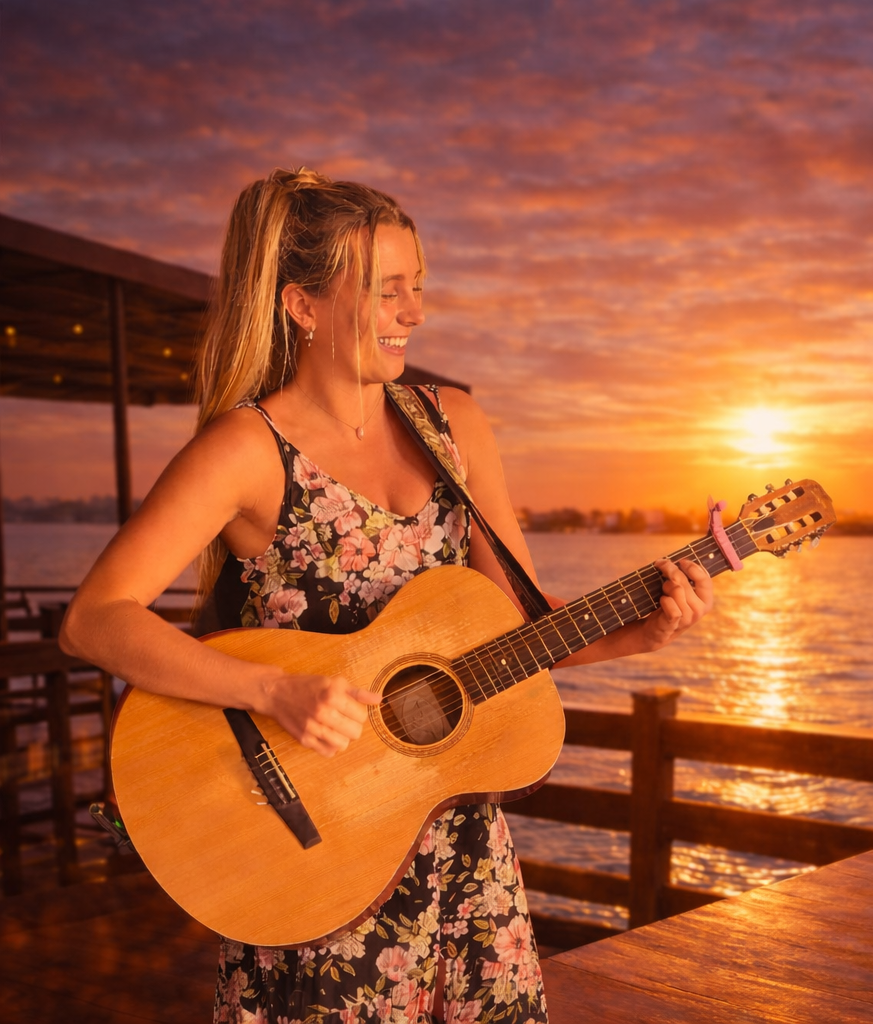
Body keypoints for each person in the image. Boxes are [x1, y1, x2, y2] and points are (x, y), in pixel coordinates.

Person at [59, 168, 715, 1024]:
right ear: (304, 306)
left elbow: (517, 628)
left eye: (419, 288)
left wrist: (639, 635)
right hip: (314, 849)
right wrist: (272, 689)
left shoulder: (455, 427)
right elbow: (93, 620)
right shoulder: (246, 450)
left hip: (462, 853)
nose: (415, 312)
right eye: (388, 291)